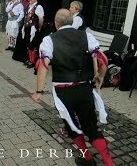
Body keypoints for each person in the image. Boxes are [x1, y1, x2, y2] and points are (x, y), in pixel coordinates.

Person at [31, 9, 113, 166]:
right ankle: (109, 163)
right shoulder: (86, 36)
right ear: (71, 22)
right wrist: (100, 76)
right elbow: (102, 58)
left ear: (56, 23)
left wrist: (39, 91)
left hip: (63, 92)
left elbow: (43, 65)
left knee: (72, 126)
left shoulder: (49, 39)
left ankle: (87, 158)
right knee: (91, 127)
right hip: (84, 89)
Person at [21, 0, 44, 70]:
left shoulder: (39, 7)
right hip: (27, 27)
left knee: (32, 45)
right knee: (28, 43)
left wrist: (40, 28)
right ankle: (29, 59)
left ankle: (32, 61)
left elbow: (41, 19)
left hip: (34, 29)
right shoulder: (28, 5)